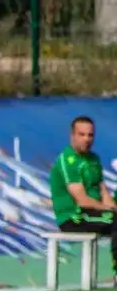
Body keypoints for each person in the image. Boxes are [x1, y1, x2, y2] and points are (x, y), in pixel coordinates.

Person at [48, 115, 117, 282]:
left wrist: (112, 207)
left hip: (96, 213)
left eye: (90, 135)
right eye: (82, 134)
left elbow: (103, 192)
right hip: (74, 216)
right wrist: (109, 210)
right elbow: (82, 200)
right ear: (72, 136)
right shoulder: (68, 159)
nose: (87, 139)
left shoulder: (94, 159)